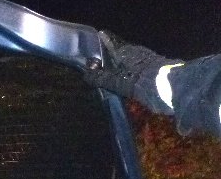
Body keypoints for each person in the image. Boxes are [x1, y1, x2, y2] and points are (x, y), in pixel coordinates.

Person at [85, 33, 221, 139]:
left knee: (176, 86)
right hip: (172, 79)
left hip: (163, 85)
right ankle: (158, 75)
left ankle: (155, 78)